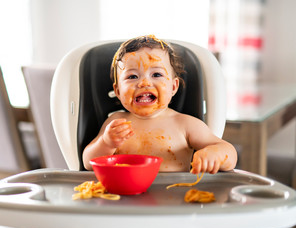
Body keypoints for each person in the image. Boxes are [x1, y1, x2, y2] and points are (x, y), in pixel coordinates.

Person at [82, 35, 237, 174]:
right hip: (124, 199)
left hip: (172, 199)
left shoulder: (185, 124)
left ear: (173, 86)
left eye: (156, 74)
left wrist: (214, 154)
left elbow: (229, 152)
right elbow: (88, 162)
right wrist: (106, 143)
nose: (144, 83)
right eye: (132, 76)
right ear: (117, 91)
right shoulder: (116, 122)